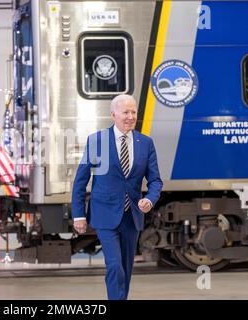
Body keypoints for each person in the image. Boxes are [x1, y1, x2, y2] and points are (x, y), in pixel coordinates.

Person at [71, 94, 163, 300]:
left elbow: (156, 180)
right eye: (125, 112)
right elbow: (80, 180)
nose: (131, 117)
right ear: (113, 115)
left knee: (126, 269)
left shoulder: (145, 143)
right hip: (105, 214)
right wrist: (78, 215)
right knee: (114, 266)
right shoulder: (97, 141)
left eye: (134, 112)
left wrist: (150, 199)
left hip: (132, 217)